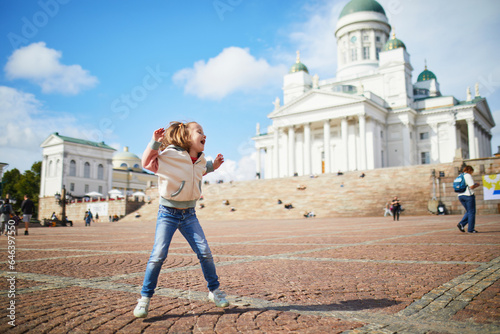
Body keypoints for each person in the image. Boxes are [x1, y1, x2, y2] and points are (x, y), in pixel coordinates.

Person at [133, 121, 228, 319]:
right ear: (185, 137)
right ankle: (144, 298)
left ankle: (214, 291)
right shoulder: (169, 155)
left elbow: (202, 168)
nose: (204, 135)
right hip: (167, 213)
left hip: (189, 215)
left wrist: (215, 165)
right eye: (199, 132)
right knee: (158, 255)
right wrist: (154, 143)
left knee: (205, 251)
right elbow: (147, 163)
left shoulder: (200, 159)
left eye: (204, 132)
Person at [457, 165, 480, 233]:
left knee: (469, 211)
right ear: (470, 170)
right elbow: (471, 186)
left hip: (460, 195)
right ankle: (471, 229)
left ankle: (462, 224)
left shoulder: (460, 175)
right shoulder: (468, 175)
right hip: (468, 195)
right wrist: (477, 185)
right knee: (471, 212)